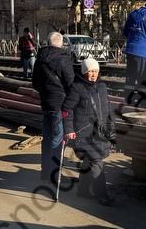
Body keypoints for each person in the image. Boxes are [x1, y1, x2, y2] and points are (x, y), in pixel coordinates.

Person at [62, 56, 116, 205]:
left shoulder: (102, 87)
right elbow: (66, 109)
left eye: (95, 71)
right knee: (96, 160)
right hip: (83, 133)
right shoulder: (76, 88)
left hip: (100, 132)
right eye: (90, 71)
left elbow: (107, 108)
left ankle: (83, 191)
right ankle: (103, 195)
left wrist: (111, 126)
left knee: (88, 161)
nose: (93, 74)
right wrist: (69, 129)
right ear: (84, 71)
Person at [32, 30, 75, 185]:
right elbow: (70, 83)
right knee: (58, 140)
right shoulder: (64, 59)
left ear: (48, 43)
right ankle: (55, 175)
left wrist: (46, 92)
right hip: (60, 104)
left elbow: (35, 83)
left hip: (46, 103)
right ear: (61, 43)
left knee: (48, 138)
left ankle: (45, 171)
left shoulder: (40, 58)